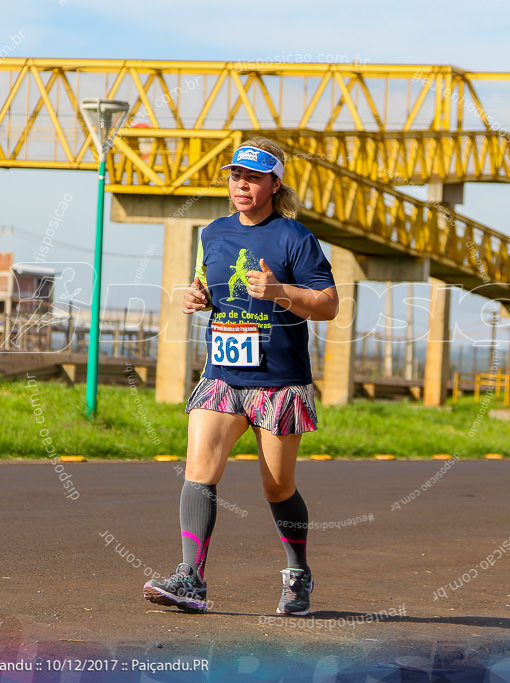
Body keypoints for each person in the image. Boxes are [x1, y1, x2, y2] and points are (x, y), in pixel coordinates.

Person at [143, 138, 339, 615]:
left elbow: (329, 305)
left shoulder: (296, 238)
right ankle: (191, 578)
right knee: (199, 470)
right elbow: (209, 287)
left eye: (253, 177)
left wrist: (278, 290)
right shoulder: (212, 233)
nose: (242, 185)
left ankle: (297, 574)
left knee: (277, 487)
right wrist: (199, 298)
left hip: (279, 379)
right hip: (223, 374)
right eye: (235, 176)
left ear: (275, 184)